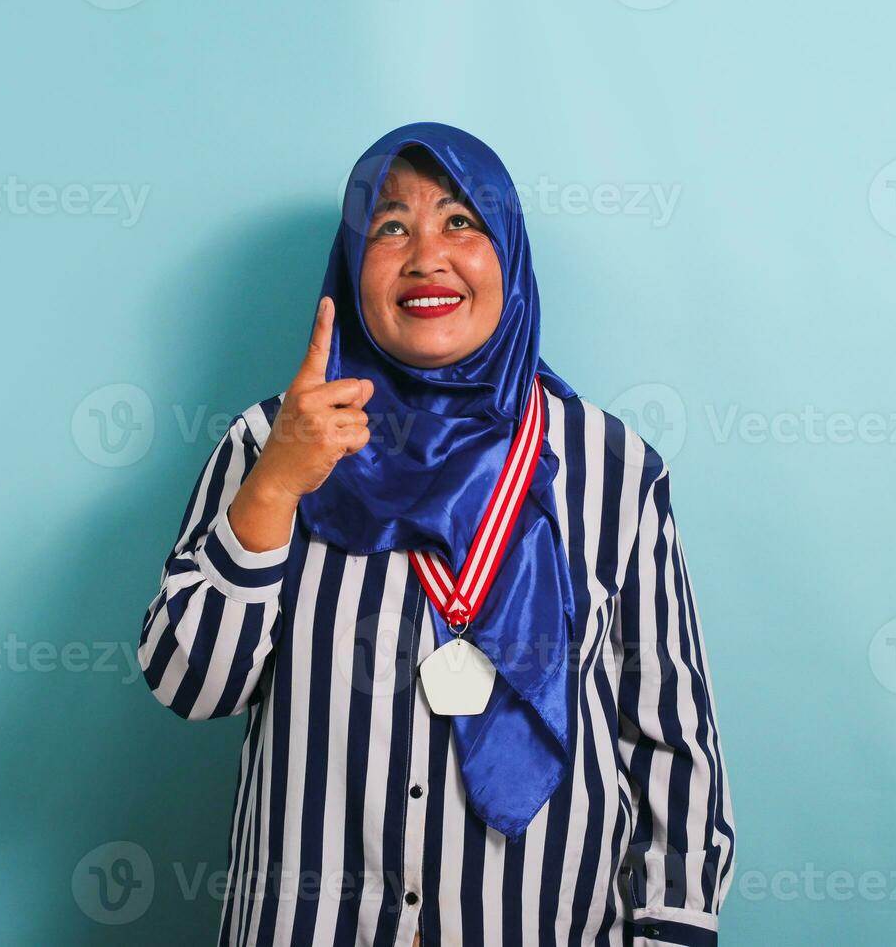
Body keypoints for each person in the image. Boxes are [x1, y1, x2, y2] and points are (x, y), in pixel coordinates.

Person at [137, 122, 735, 945]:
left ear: (510, 255)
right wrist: (277, 484)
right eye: (389, 227)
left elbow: (671, 732)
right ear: (351, 268)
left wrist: (673, 929)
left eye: (461, 221)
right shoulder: (267, 443)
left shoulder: (610, 465)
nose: (427, 256)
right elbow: (189, 683)